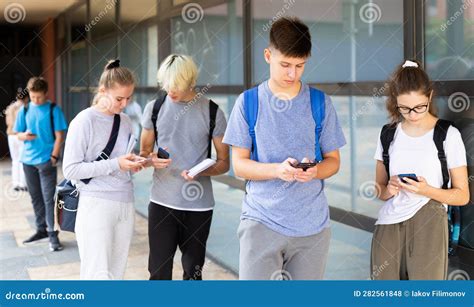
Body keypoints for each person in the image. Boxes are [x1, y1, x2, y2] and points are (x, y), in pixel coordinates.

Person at [222, 17, 346, 280]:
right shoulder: (248, 103)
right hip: (261, 222)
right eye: (285, 65)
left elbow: (333, 161)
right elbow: (240, 165)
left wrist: (315, 171)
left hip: (312, 228)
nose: (292, 74)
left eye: (300, 66)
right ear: (268, 56)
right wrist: (278, 171)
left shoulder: (320, 103)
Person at [370, 60, 469, 280]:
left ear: (430, 97)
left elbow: (462, 195)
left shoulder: (447, 135)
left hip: (429, 223)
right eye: (404, 108)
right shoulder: (388, 134)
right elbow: (379, 190)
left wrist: (425, 189)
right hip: (388, 225)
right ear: (395, 101)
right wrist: (390, 188)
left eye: (419, 107)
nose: (412, 114)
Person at [140, 54, 229, 280]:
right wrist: (151, 160)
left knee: (193, 274)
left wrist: (201, 170)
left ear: (190, 81)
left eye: (176, 85)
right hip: (161, 203)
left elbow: (224, 163)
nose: (171, 90)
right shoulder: (154, 108)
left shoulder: (212, 112)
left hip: (198, 207)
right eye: (166, 84)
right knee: (158, 273)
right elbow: (143, 153)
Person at [63, 59, 145, 279]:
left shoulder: (125, 120)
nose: (124, 103)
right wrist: (116, 164)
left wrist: (137, 162)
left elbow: (120, 159)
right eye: (119, 98)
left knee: (117, 274)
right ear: (102, 91)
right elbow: (70, 170)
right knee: (97, 275)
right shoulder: (84, 121)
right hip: (96, 204)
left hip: (125, 203)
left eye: (129, 98)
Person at [13, 77, 68, 251]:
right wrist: (24, 136)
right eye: (33, 96)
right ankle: (41, 230)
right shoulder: (25, 109)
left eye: (39, 97)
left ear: (45, 93)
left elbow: (60, 135)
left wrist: (54, 156)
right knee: (36, 198)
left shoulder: (53, 109)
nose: (36, 100)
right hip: (27, 161)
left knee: (49, 199)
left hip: (46, 161)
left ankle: (53, 235)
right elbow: (17, 134)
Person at [6, 89, 29, 191]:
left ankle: (16, 183)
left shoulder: (10, 107)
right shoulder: (25, 108)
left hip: (11, 135)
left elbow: (8, 122)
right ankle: (23, 184)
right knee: (22, 160)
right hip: (21, 135)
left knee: (15, 160)